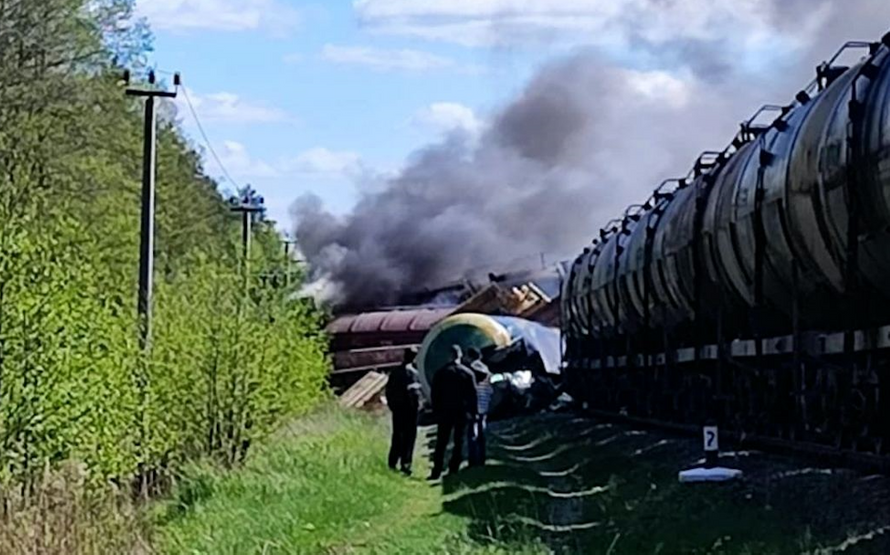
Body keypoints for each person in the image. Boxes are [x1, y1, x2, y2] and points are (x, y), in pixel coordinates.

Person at [429, 345, 477, 480]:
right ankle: (454, 468)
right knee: (458, 441)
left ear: (449, 356)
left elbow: (435, 394)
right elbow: (473, 395)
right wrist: (473, 412)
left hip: (445, 411)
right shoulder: (468, 373)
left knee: (441, 441)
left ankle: (436, 470)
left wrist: (436, 410)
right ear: (460, 356)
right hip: (461, 411)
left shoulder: (441, 373)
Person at [385, 347, 422, 476]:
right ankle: (406, 463)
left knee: (397, 435)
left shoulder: (395, 372)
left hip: (398, 409)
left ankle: (393, 461)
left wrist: (392, 406)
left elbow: (388, 391)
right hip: (411, 410)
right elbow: (418, 393)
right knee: (409, 437)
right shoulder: (415, 373)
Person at [466, 348, 492, 467]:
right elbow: (490, 388)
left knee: (472, 433)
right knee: (481, 432)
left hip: (474, 404)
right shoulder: (486, 369)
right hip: (484, 404)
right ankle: (482, 459)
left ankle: (472, 460)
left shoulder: (470, 369)